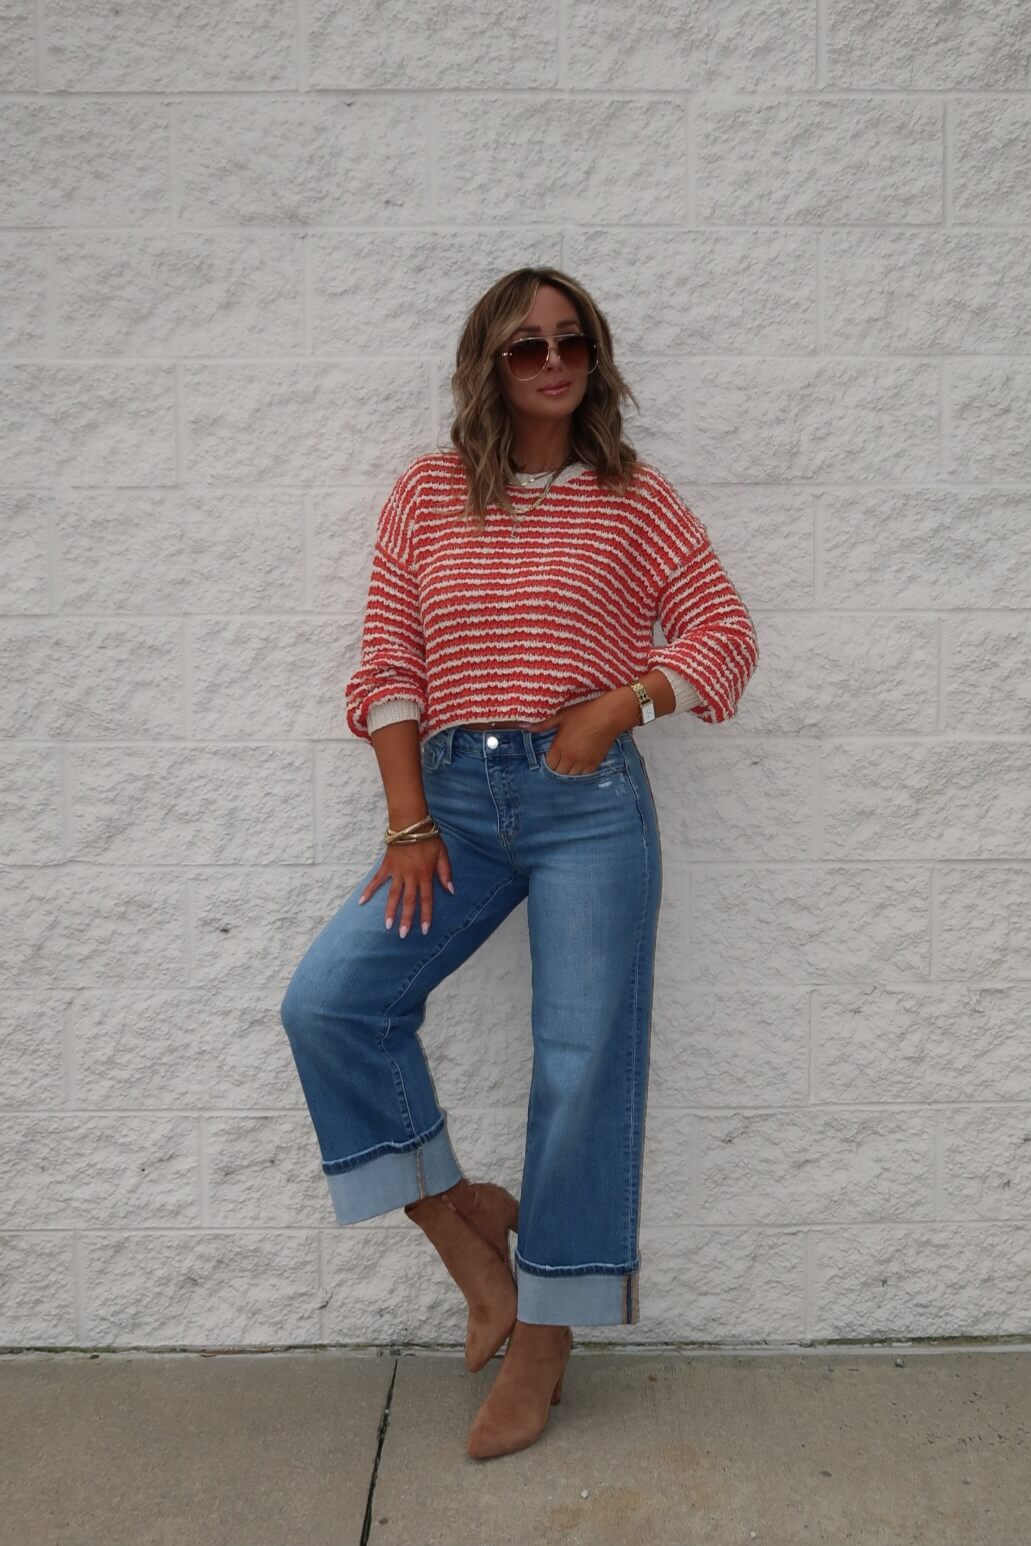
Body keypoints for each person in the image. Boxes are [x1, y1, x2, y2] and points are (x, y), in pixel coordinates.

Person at [279, 266, 759, 1460]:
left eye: (570, 342)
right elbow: (387, 658)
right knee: (333, 1003)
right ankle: (467, 1239)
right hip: (448, 798)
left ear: (593, 356)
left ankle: (547, 1328)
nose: (550, 363)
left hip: (583, 800)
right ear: (484, 365)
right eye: (522, 347)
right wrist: (406, 817)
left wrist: (620, 705)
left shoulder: (631, 498)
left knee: (580, 1058)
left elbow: (724, 633)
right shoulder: (428, 493)